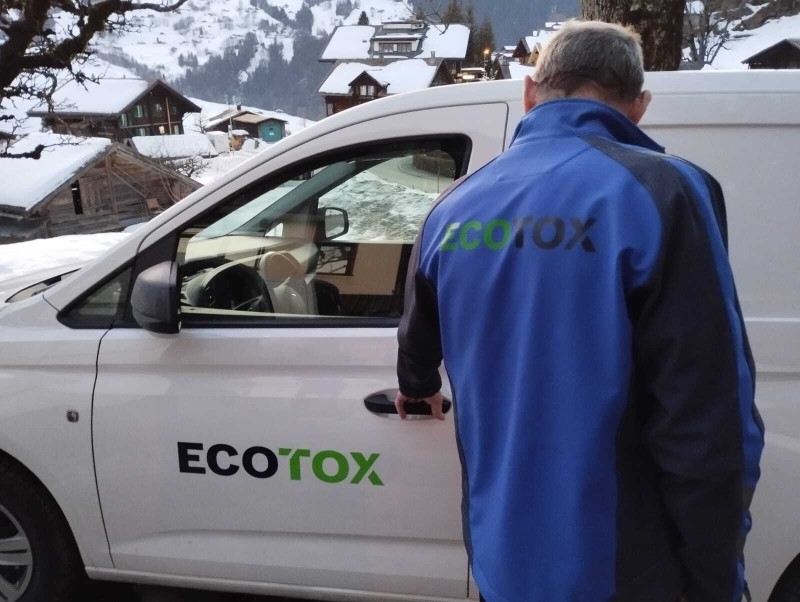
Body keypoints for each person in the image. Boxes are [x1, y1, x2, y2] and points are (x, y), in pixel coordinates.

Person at [395, 21, 764, 602]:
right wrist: (716, 578)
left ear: (529, 92)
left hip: (500, 563)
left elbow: (417, 341)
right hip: (625, 571)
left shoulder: (454, 206)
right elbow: (708, 417)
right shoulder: (664, 192)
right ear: (638, 106)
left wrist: (418, 388)